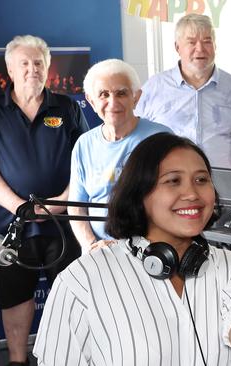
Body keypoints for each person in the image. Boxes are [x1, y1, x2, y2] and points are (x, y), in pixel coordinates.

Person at [34, 132, 231, 365]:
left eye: (201, 180)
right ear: (139, 194)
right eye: (173, 181)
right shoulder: (83, 279)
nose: (192, 194)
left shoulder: (230, 266)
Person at [0, 35, 88, 366]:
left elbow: (85, 163)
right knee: (15, 295)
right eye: (24, 64)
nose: (32, 69)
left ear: (48, 68)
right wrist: (20, 208)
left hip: (65, 221)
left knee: (72, 294)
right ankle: (16, 359)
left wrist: (57, 205)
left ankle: (71, 358)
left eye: (38, 63)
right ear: (10, 69)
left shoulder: (68, 107)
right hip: (10, 224)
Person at [68, 59, 173, 253]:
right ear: (91, 101)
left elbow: (173, 200)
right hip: (100, 251)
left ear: (136, 97)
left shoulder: (162, 139)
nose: (113, 102)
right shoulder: (84, 144)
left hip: (151, 250)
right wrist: (91, 244)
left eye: (121, 93)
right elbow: (76, 207)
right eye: (104, 94)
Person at [134, 14, 231, 169]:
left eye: (207, 41)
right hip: (170, 182)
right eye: (191, 42)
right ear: (177, 47)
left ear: (215, 46)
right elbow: (137, 136)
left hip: (224, 184)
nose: (200, 49)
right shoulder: (154, 87)